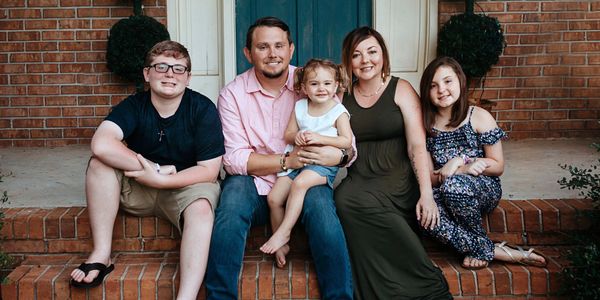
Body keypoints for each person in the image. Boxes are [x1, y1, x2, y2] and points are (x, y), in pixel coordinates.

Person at [205, 17, 353, 299]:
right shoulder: (233, 95)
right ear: (248, 53)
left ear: (291, 49)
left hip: (304, 177)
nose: (273, 54)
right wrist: (287, 162)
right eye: (263, 47)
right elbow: (234, 159)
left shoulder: (314, 82)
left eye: (279, 46)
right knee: (230, 206)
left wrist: (335, 155)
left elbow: (348, 146)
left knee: (323, 213)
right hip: (254, 182)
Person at [69, 41, 225, 300]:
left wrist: (164, 180)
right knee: (99, 164)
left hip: (185, 187)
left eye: (178, 68)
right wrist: (154, 170)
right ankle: (101, 253)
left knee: (202, 208)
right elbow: (101, 143)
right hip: (140, 183)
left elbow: (209, 170)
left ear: (188, 77)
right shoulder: (134, 106)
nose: (169, 74)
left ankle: (185, 297)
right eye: (161, 66)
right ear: (147, 73)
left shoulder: (202, 109)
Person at [334, 26, 452, 299]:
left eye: (372, 52)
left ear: (383, 56)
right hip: (361, 177)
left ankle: (425, 282)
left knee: (360, 203)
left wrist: (426, 193)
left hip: (398, 179)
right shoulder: (342, 95)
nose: (366, 60)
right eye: (357, 55)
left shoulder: (401, 89)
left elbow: (416, 146)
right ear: (348, 62)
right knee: (343, 198)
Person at [419, 56, 547, 269]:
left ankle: (481, 247)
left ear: (460, 81)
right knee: (425, 215)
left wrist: (461, 163)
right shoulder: (426, 126)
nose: (441, 89)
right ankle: (492, 250)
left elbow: (497, 166)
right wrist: (449, 172)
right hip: (444, 188)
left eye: (447, 81)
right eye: (433, 85)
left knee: (454, 186)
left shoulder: (478, 116)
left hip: (483, 188)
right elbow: (430, 177)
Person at [260, 59, 353, 268]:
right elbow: (288, 134)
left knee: (300, 183)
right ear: (303, 87)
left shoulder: (338, 111)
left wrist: (321, 139)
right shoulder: (300, 106)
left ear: (336, 85)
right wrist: (298, 136)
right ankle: (282, 244)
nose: (322, 88)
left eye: (327, 83)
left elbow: (346, 141)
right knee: (274, 198)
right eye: (314, 84)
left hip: (321, 166)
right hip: (297, 160)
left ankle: (284, 232)